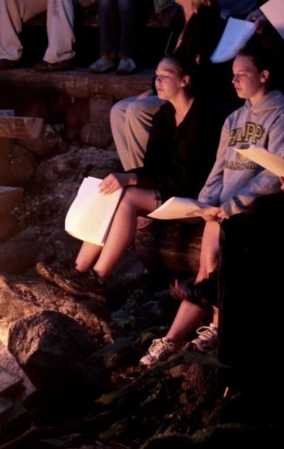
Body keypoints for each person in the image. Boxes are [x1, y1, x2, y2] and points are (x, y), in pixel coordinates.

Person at [140, 39, 284, 366]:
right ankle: (179, 338)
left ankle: (212, 330)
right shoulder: (233, 119)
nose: (234, 80)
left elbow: (275, 171)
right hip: (222, 208)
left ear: (264, 75)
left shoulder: (281, 115)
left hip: (255, 210)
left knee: (219, 274)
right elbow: (219, 167)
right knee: (205, 269)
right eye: (233, 74)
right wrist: (205, 203)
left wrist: (236, 203)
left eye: (242, 74)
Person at [37, 56, 219, 301]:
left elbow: (186, 177)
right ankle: (78, 269)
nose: (159, 80)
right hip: (167, 187)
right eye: (157, 74)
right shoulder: (164, 116)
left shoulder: (202, 119)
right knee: (113, 188)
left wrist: (133, 180)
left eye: (166, 75)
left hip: (192, 195)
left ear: (184, 80)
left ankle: (98, 278)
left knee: (128, 198)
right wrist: (129, 177)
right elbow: (152, 166)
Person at [110, 0, 227, 170]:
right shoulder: (178, 21)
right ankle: (134, 172)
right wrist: (152, 88)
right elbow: (167, 62)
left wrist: (157, 89)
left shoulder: (208, 23)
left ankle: (149, 176)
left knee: (137, 110)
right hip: (168, 88)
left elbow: (198, 71)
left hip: (187, 95)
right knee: (119, 110)